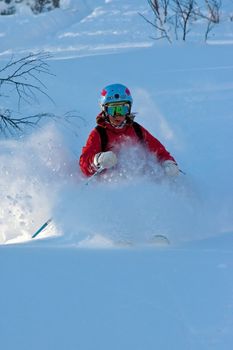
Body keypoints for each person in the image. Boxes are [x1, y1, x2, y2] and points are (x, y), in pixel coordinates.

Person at [79, 83, 179, 178]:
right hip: (112, 185)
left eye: (122, 109)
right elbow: (84, 164)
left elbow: (158, 150)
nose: (118, 115)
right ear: (104, 111)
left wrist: (168, 162)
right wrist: (98, 160)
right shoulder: (99, 134)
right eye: (113, 110)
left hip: (141, 181)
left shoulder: (137, 130)